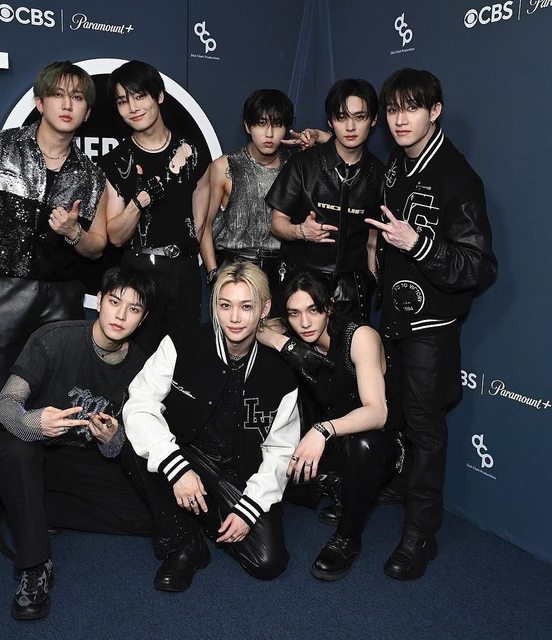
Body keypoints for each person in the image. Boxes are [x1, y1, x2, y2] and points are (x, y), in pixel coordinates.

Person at [0, 61, 108, 536]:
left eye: (78, 98)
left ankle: (40, 499)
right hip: (4, 291)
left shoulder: (91, 174)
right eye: (58, 95)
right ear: (40, 102)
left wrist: (73, 230)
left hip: (62, 298)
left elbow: (97, 246)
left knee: (54, 400)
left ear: (87, 112)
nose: (67, 104)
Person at [364, 68, 497, 580]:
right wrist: (379, 250)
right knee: (397, 414)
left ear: (435, 111)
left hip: (432, 328)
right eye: (393, 110)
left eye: (412, 108)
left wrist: (417, 245)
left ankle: (422, 534)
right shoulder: (399, 162)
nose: (400, 120)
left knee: (425, 427)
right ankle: (401, 485)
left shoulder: (458, 177)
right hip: (396, 318)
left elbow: (479, 266)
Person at [0, 267, 156, 620]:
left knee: (150, 518)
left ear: (142, 319)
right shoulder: (53, 339)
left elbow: (128, 443)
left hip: (87, 462)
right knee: (13, 447)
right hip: (39, 453)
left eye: (134, 309)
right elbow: (3, 406)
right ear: (99, 301)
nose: (121, 315)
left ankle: (34, 509)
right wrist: (35, 422)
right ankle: (35, 565)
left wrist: (112, 440)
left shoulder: (142, 368)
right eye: (114, 302)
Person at [122, 262, 300, 592]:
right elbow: (139, 404)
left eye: (246, 307)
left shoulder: (281, 373)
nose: (235, 318)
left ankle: (200, 512)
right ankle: (184, 543)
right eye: (225, 305)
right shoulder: (182, 343)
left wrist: (249, 509)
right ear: (214, 306)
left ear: (264, 309)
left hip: (237, 472)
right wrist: (175, 467)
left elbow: (281, 450)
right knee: (131, 434)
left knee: (268, 563)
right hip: (184, 452)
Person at [257, 270, 400, 580]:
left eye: (314, 310)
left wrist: (322, 430)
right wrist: (284, 343)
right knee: (273, 471)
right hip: (335, 442)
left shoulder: (359, 337)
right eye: (294, 313)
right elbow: (259, 328)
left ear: (330, 307)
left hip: (381, 445)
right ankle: (335, 483)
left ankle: (347, 538)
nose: (305, 322)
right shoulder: (295, 334)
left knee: (363, 443)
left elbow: (377, 413)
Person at [101, 60, 210, 354]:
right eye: (123, 101)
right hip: (138, 275)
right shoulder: (116, 161)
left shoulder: (193, 151)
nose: (132, 108)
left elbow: (201, 213)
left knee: (185, 358)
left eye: (140, 96)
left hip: (184, 274)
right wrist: (138, 202)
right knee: (138, 360)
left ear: (159, 96)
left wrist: (187, 249)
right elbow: (116, 236)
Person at [266, 79, 384, 320]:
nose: (350, 127)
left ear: (373, 120)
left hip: (352, 290)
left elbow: (373, 235)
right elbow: (276, 223)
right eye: (341, 117)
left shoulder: (379, 174)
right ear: (330, 121)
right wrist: (301, 231)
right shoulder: (303, 164)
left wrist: (371, 276)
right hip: (302, 286)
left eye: (360, 117)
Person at [200, 89, 294, 300]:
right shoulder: (225, 166)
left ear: (286, 128)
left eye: (277, 124)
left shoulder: (295, 166)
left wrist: (319, 137)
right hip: (236, 270)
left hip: (282, 273)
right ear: (247, 126)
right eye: (261, 123)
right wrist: (213, 272)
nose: (269, 133)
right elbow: (205, 224)